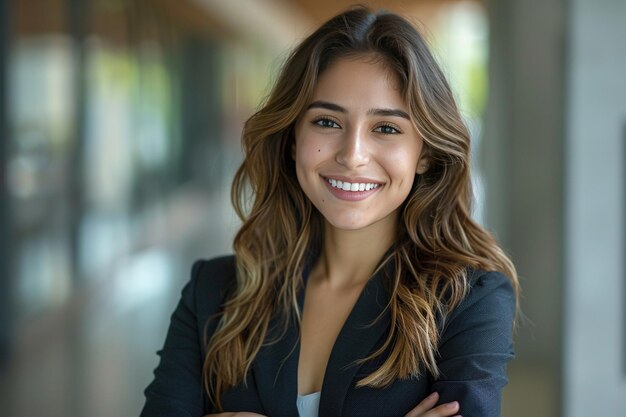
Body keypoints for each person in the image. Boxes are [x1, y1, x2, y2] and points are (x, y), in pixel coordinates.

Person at [140, 6, 519, 417]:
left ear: (424, 154)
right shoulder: (212, 293)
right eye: (327, 122)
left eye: (386, 128)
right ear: (292, 138)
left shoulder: (467, 301)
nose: (353, 155)